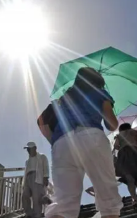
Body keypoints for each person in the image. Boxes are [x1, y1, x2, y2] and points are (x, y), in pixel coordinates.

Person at [45, 67, 123, 218]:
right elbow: (111, 125)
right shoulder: (100, 93)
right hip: (91, 136)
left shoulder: (64, 98)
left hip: (62, 143)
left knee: (62, 203)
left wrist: (55, 143)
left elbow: (44, 123)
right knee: (108, 197)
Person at [114, 123, 137, 207]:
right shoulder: (136, 132)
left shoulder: (119, 135)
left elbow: (116, 146)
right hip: (135, 151)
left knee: (129, 177)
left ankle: (134, 199)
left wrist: (121, 148)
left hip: (124, 154)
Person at [22, 142, 50, 218]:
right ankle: (29, 213)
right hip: (28, 178)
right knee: (25, 195)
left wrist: (46, 177)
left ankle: (37, 215)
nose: (28, 150)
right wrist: (24, 184)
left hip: (37, 177)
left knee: (36, 197)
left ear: (34, 148)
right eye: (27, 149)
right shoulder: (27, 161)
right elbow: (25, 172)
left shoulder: (42, 157)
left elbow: (46, 166)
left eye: (29, 149)